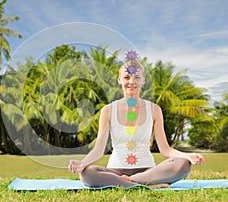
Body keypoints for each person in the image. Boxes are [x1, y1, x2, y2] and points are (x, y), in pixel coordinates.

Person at [68, 51, 205, 188]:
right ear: (119, 79)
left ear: (143, 80)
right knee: (88, 173)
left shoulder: (154, 109)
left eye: (137, 77)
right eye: (127, 77)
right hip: (115, 171)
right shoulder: (108, 110)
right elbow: (99, 149)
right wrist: (83, 163)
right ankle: (146, 185)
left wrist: (187, 156)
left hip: (148, 171)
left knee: (183, 164)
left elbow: (165, 149)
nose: (132, 82)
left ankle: (131, 182)